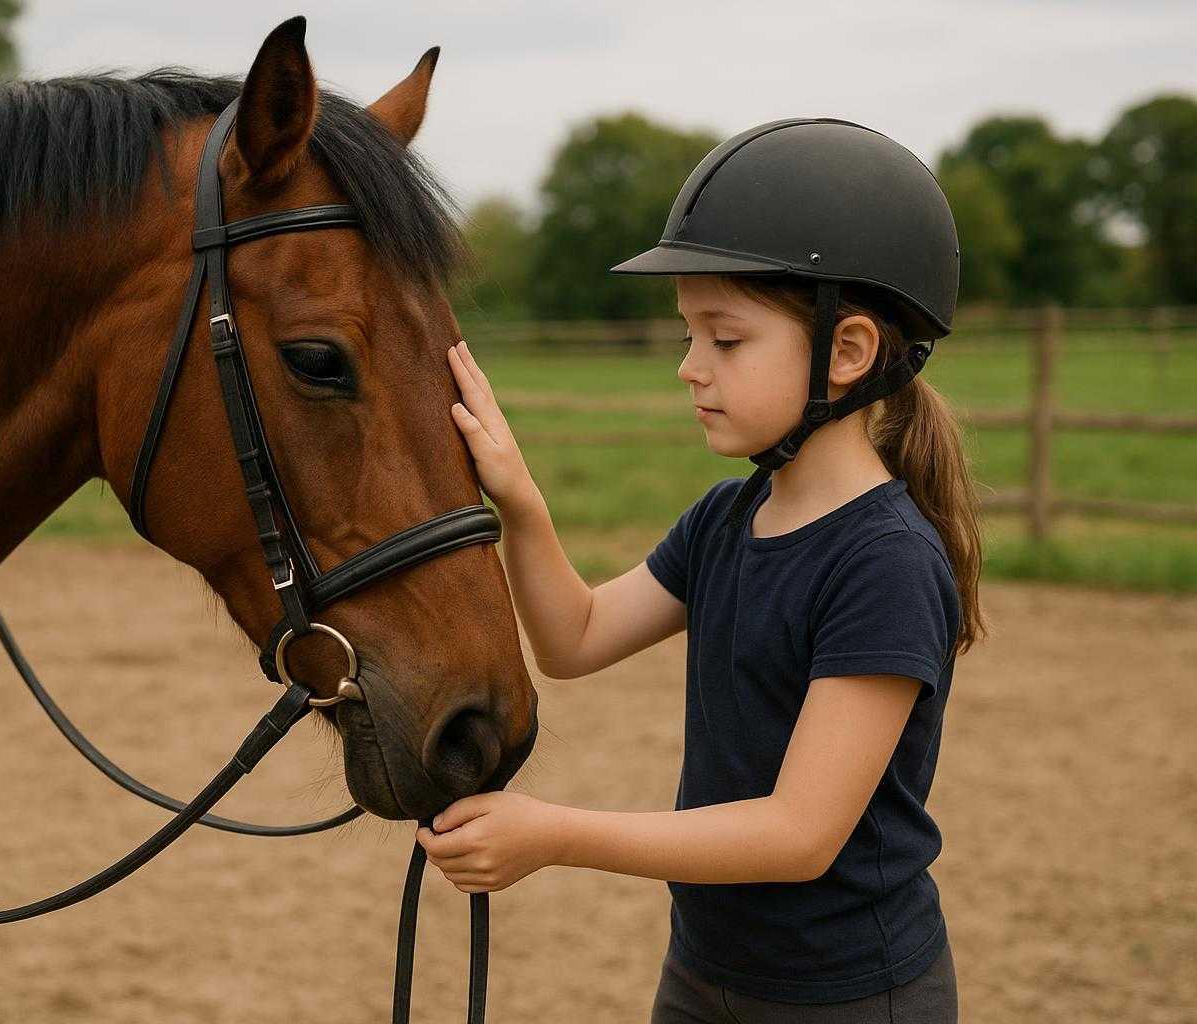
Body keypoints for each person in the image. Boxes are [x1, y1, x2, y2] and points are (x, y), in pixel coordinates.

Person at [417, 118, 988, 1022]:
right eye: (689, 335)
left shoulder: (885, 564)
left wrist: (556, 834)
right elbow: (574, 639)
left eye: (724, 340)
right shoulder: (728, 519)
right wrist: (520, 503)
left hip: (849, 998)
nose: (689, 368)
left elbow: (799, 835)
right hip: (705, 973)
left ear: (847, 353)